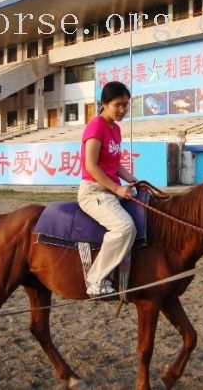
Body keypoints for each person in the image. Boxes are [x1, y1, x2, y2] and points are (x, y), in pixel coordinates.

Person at [77, 81, 138, 297]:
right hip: (94, 192)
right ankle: (96, 280)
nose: (122, 110)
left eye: (126, 105)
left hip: (110, 189)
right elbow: (91, 166)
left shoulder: (116, 129)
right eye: (117, 105)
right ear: (104, 104)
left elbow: (115, 164)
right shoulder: (95, 127)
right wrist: (117, 189)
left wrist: (135, 181)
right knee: (125, 227)